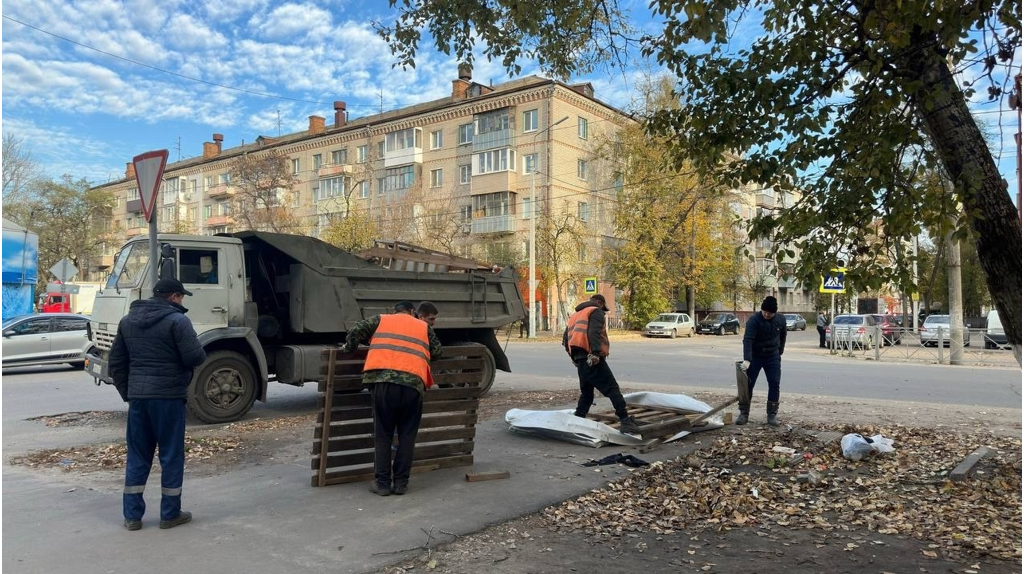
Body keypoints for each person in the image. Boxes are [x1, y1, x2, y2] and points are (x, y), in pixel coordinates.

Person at [109, 278, 207, 531]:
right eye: (181, 297)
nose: (182, 301)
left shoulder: (127, 321)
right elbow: (195, 356)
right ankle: (170, 514)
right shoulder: (178, 321)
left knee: (138, 455)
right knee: (171, 455)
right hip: (169, 398)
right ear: (174, 297)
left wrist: (129, 394)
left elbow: (116, 364)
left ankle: (132, 516)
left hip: (139, 399)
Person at [341, 301, 442, 496]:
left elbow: (355, 330)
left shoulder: (381, 320)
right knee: (407, 436)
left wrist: (349, 348)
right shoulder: (423, 326)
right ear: (413, 312)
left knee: (383, 434)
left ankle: (383, 484)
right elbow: (437, 352)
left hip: (383, 385)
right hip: (413, 385)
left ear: (394, 312)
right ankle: (401, 484)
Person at [563, 294, 641, 435]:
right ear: (599, 302)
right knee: (612, 388)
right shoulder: (595, 311)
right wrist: (596, 354)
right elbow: (594, 332)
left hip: (581, 359)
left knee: (587, 393)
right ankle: (625, 420)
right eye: (603, 307)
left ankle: (578, 419)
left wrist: (574, 357)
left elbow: (565, 339)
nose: (603, 311)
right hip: (591, 357)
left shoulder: (575, 315)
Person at [738, 296, 787, 426]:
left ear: (774, 312)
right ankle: (744, 413)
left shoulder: (780, 320)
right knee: (749, 384)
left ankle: (772, 415)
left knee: (774, 383)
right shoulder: (754, 320)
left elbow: (783, 336)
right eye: (764, 312)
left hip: (772, 356)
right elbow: (748, 339)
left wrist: (779, 351)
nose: (766, 314)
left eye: (769, 313)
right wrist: (747, 359)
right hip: (755, 356)